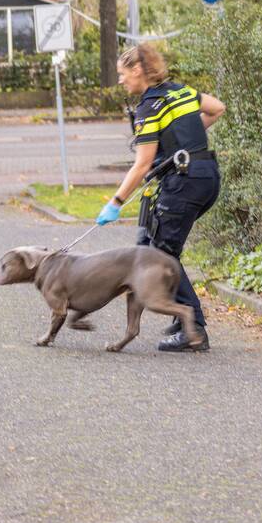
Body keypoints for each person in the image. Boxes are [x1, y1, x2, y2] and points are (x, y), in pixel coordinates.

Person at [96, 43, 225, 352]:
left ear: (138, 70)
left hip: (184, 182)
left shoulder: (148, 108)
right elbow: (217, 108)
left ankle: (194, 329)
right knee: (166, 249)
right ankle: (184, 320)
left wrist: (115, 203)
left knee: (160, 254)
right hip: (207, 177)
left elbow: (142, 163)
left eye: (123, 74)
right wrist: (185, 139)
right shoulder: (181, 92)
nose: (121, 81)